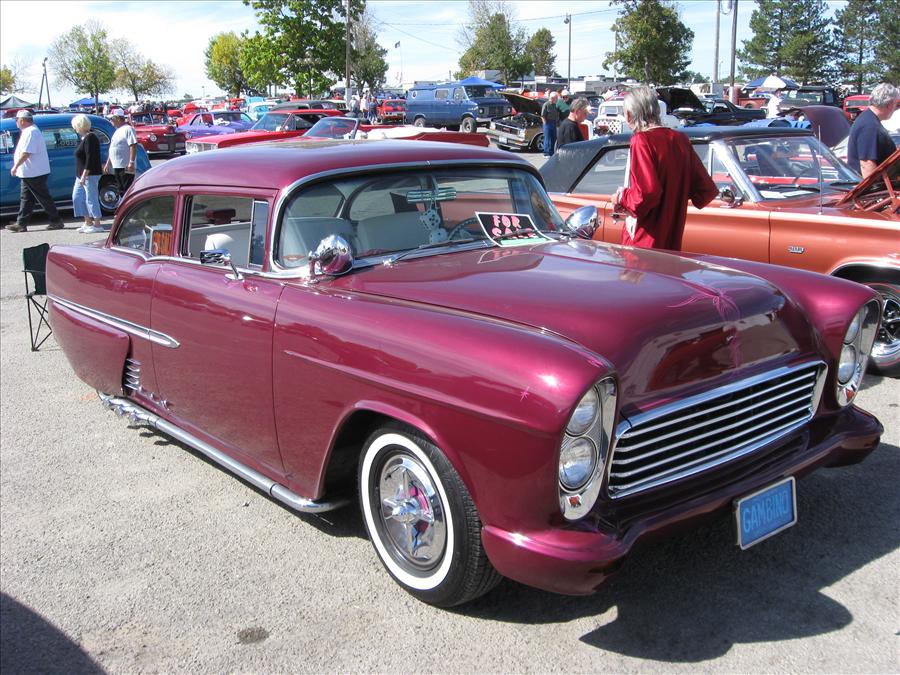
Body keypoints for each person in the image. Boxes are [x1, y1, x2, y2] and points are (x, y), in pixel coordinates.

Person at [611, 86, 719, 250]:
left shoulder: (641, 140)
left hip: (645, 240)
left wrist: (621, 197)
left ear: (630, 114)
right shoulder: (680, 139)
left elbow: (646, 195)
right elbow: (705, 190)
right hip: (672, 237)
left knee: (640, 274)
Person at [8, 109, 65, 233]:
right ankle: (21, 223)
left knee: (42, 197)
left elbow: (27, 152)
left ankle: (56, 220)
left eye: (17, 120)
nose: (16, 122)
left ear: (22, 120)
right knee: (26, 198)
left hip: (34, 171)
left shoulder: (31, 132)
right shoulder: (29, 131)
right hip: (30, 171)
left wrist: (15, 166)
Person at [847, 82, 899, 179]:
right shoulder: (870, 126)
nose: (896, 108)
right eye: (896, 104)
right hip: (870, 191)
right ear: (890, 104)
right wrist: (875, 191)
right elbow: (867, 164)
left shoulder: (869, 120)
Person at [70, 114, 104, 233]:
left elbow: (91, 158)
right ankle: (87, 221)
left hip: (90, 173)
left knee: (91, 198)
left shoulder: (91, 137)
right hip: (80, 174)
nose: (74, 129)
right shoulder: (83, 138)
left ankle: (97, 224)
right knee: (77, 197)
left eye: (75, 126)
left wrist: (84, 175)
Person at [104, 108, 138, 199]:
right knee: (120, 188)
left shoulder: (128, 129)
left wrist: (131, 162)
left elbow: (133, 145)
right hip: (117, 165)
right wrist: (108, 163)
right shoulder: (117, 131)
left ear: (118, 118)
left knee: (126, 189)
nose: (111, 121)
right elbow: (112, 148)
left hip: (125, 165)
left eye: (112, 119)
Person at [540, 91, 561, 157]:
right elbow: (542, 116)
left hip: (554, 123)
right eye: (556, 98)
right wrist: (545, 124)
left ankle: (552, 152)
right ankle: (546, 153)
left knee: (554, 138)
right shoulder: (546, 104)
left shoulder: (556, 105)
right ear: (552, 98)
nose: (557, 99)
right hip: (547, 123)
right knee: (547, 139)